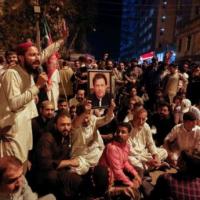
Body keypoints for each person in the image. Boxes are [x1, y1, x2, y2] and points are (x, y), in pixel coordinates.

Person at [0, 41, 48, 165]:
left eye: (37, 54)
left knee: (24, 164)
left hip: (25, 124)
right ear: (21, 58)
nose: (37, 58)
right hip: (13, 129)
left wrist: (62, 40)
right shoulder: (12, 74)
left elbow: (46, 53)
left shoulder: (27, 72)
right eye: (32, 55)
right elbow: (14, 104)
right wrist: (37, 86)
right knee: (15, 169)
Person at [34, 111, 82, 200]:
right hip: (45, 176)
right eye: (63, 125)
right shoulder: (47, 138)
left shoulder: (66, 136)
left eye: (68, 124)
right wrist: (69, 162)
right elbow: (45, 164)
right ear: (55, 125)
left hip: (58, 173)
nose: (66, 128)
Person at [99, 122, 142, 188]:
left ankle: (138, 185)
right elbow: (117, 171)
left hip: (119, 172)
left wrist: (136, 175)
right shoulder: (112, 148)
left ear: (128, 135)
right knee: (132, 189)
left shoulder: (127, 146)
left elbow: (125, 162)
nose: (119, 134)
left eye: (123, 132)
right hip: (110, 177)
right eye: (118, 131)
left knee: (139, 170)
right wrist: (131, 184)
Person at [128, 108, 168, 174]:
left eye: (143, 119)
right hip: (134, 156)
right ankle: (156, 166)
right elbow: (130, 152)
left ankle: (150, 167)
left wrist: (155, 156)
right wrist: (147, 161)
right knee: (130, 160)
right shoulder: (127, 128)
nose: (141, 122)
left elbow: (150, 143)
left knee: (164, 152)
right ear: (134, 117)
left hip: (144, 153)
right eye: (138, 118)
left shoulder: (146, 126)